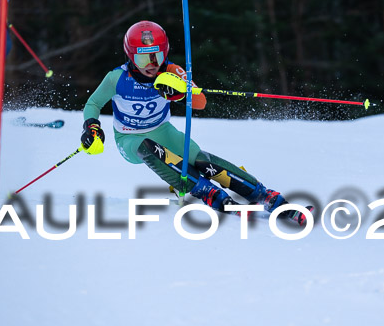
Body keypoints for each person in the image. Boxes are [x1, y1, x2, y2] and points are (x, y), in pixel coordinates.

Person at [80, 20, 308, 225]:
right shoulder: (117, 78)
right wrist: (92, 126)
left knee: (201, 160)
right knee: (148, 148)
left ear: (165, 52)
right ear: (130, 56)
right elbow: (93, 104)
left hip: (162, 130)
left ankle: (264, 195)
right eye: (142, 58)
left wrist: (180, 93)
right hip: (129, 138)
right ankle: (207, 193)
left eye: (156, 56)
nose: (151, 64)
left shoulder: (172, 71)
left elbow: (200, 102)